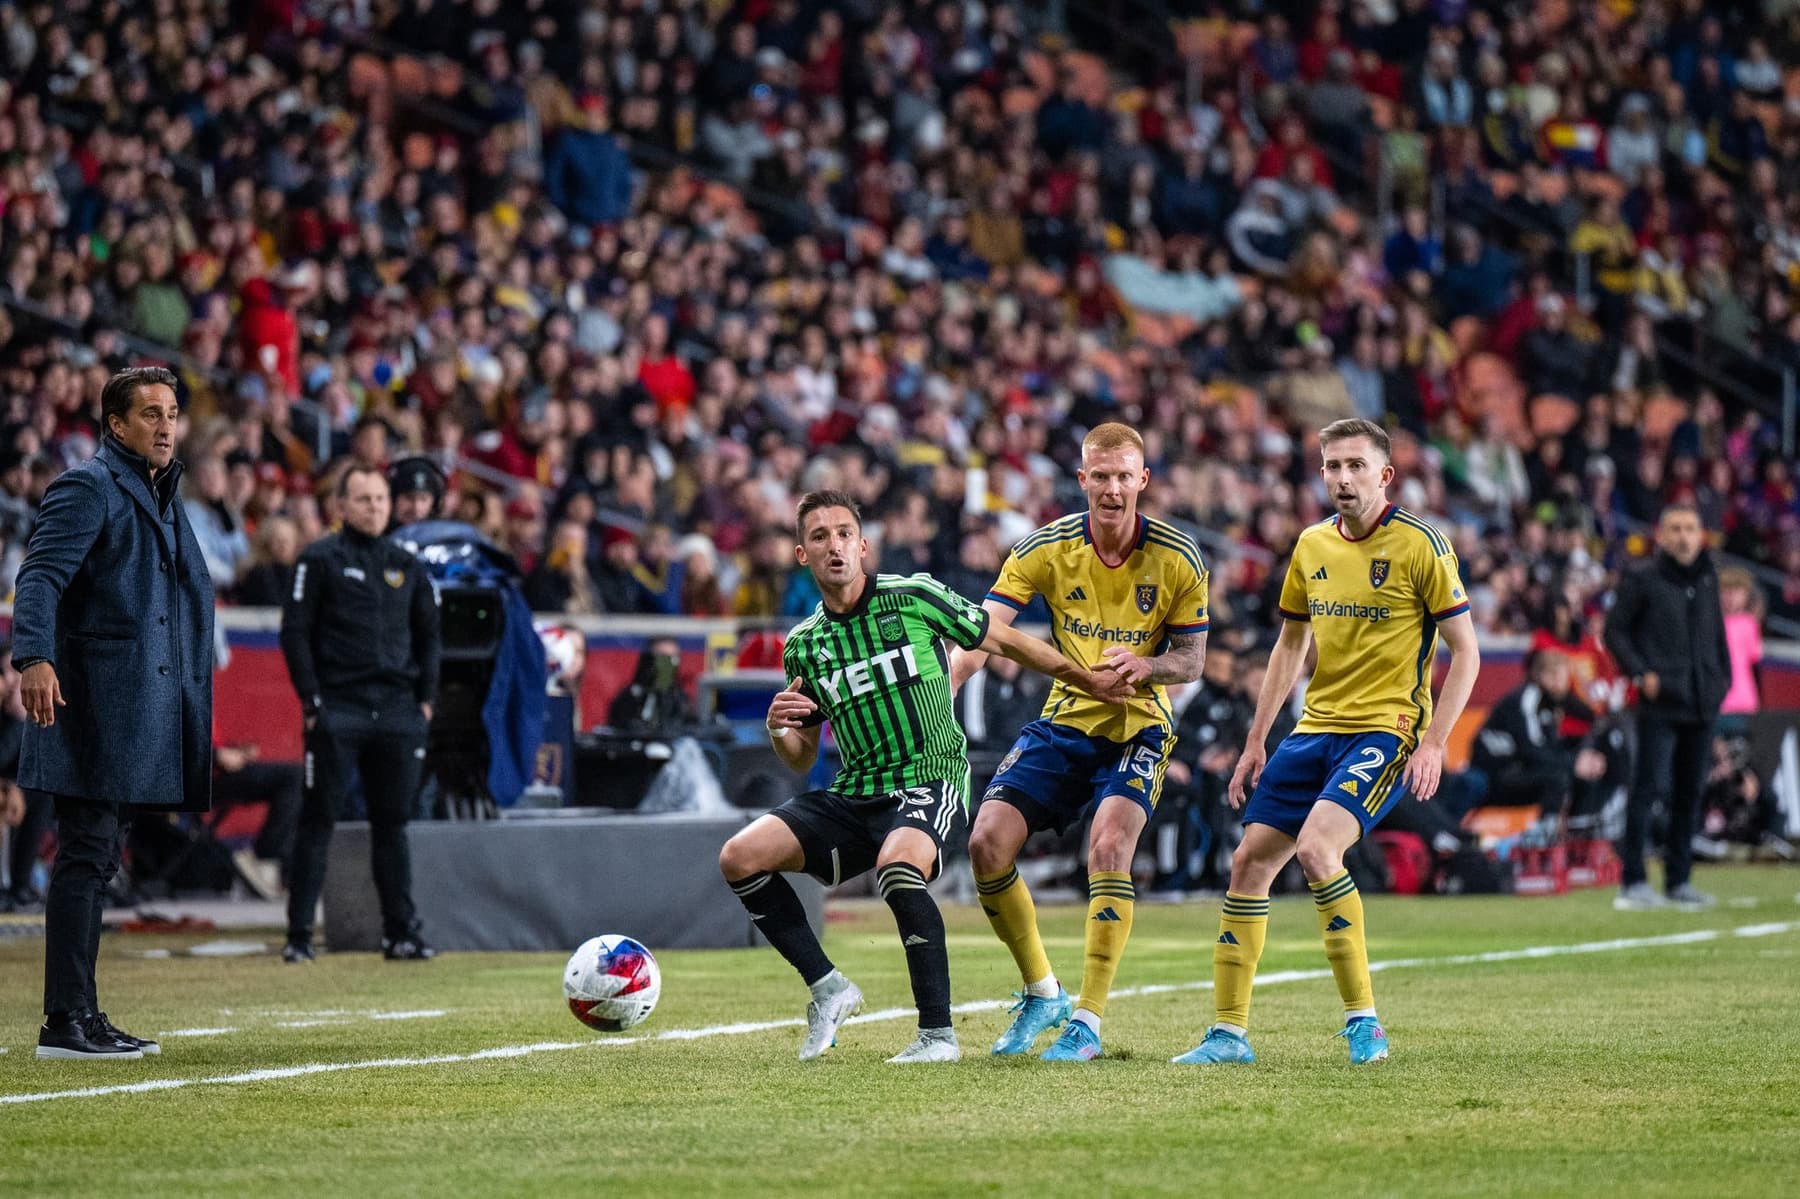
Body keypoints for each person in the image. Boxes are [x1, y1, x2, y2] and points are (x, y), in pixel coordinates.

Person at [717, 489, 1130, 1064]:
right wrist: (778, 730)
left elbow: (1002, 638)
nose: (834, 545)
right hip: (854, 791)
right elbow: (801, 756)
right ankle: (828, 988)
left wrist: (1084, 678)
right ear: (801, 555)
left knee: (899, 868)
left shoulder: (915, 596)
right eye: (819, 537)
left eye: (843, 534)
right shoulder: (806, 646)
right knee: (739, 857)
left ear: (863, 546)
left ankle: (938, 1035)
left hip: (929, 777)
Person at [1173, 418, 1480, 1067]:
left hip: (1385, 729)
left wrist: (1433, 742)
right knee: (1248, 863)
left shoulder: (1423, 545)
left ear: (1384, 474)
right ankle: (1229, 1033)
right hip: (1314, 728)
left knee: (1316, 848)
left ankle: (1364, 1021)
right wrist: (1257, 739)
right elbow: (1290, 644)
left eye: (1355, 465)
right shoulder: (1311, 544)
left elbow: (1467, 652)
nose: (1342, 477)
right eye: (1331, 466)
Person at [949, 421, 1210, 1062]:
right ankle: (1043, 992)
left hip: (1141, 723)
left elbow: (1193, 659)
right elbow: (987, 631)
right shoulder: (1045, 548)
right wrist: (945, 688)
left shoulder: (1178, 557)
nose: (1113, 489)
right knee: (986, 843)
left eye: (1126, 477)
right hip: (1066, 717)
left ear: (1143, 481)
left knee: (1110, 845)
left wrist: (1148, 666)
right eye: (1102, 476)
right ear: (1082, 480)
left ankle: (1087, 1021)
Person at [12, 366, 214, 1059]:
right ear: (116, 425)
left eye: (172, 413)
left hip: (132, 710)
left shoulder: (159, 494)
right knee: (86, 857)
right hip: (95, 704)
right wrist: (32, 657)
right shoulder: (88, 485)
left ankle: (81, 1014)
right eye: (150, 414)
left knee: (96, 862)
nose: (165, 425)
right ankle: (65, 1021)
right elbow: (39, 574)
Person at [279, 465, 441, 961]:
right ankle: (300, 937)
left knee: (393, 824)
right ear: (341, 506)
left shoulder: (407, 564)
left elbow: (431, 636)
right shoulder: (318, 559)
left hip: (397, 711)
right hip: (339, 709)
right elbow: (295, 634)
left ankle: (401, 933)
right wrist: (312, 699)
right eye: (363, 499)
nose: (374, 508)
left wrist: (426, 702)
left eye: (380, 499)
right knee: (318, 820)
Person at [1603, 502, 1730, 911]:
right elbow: (1614, 631)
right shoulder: (1642, 577)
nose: (1683, 536)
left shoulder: (1708, 578)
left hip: (1701, 701)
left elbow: (1717, 637)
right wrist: (1641, 675)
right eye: (1675, 528)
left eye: (1690, 528)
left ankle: (1679, 881)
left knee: (1690, 794)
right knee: (1648, 790)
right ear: (1660, 535)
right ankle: (1634, 881)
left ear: (1701, 534)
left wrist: (1720, 679)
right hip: (1661, 703)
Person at [1471, 649, 1607, 811]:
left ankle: (1580, 829)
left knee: (1578, 770)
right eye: (1560, 677)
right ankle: (1545, 832)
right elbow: (1530, 750)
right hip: (1494, 773)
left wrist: (1582, 756)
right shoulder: (1527, 698)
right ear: (1544, 677)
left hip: (1517, 766)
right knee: (1558, 778)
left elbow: (1588, 717)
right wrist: (1573, 763)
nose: (1564, 684)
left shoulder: (1552, 701)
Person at [386, 454, 447, 533]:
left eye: (423, 499)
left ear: (435, 503)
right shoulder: (377, 537)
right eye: (409, 498)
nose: (416, 508)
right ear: (393, 499)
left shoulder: (447, 538)